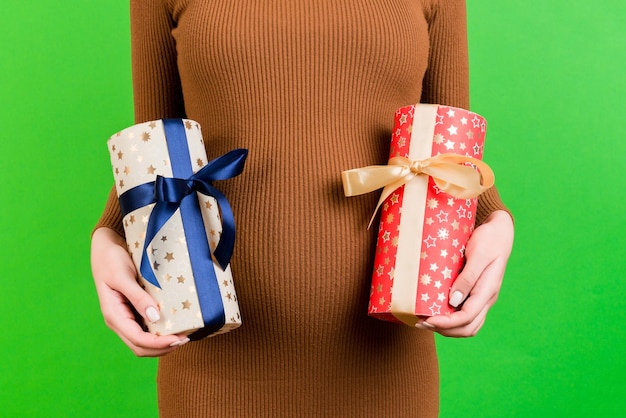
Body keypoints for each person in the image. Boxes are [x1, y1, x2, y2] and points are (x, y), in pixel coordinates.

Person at [91, 0, 514, 416]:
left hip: (387, 370)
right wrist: (108, 234)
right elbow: (153, 149)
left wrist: (494, 219)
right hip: (212, 369)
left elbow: (450, 146)